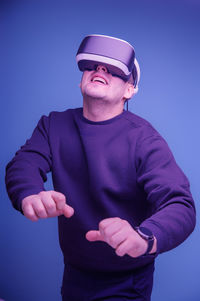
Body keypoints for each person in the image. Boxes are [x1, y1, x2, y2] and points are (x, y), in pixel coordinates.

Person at [5, 34, 196, 301]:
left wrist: (145, 238)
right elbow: (24, 162)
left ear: (129, 90)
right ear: (81, 78)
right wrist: (29, 192)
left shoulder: (145, 139)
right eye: (93, 65)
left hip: (127, 281)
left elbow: (180, 205)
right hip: (74, 272)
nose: (100, 69)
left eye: (113, 69)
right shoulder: (53, 125)